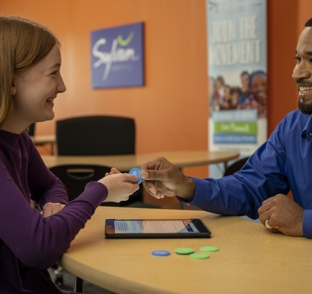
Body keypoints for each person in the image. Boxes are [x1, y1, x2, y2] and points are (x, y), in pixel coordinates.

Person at [0, 16, 140, 293]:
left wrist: (55, 205)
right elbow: (38, 247)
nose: (62, 86)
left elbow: (52, 185)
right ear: (11, 81)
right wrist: (99, 190)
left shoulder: (21, 141)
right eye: (53, 73)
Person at [139, 18, 312, 239]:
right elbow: (249, 188)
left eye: (311, 60)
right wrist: (186, 186)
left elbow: (300, 221)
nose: (297, 73)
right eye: (298, 58)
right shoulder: (292, 127)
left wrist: (303, 221)